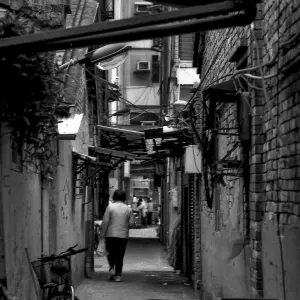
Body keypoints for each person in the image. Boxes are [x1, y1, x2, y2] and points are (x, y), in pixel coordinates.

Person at [100, 189, 135, 282]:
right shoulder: (128, 209)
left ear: (114, 197)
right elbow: (131, 223)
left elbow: (105, 222)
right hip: (123, 236)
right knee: (120, 255)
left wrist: (102, 234)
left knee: (110, 253)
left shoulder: (110, 207)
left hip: (110, 235)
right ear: (124, 198)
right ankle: (118, 275)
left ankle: (111, 268)